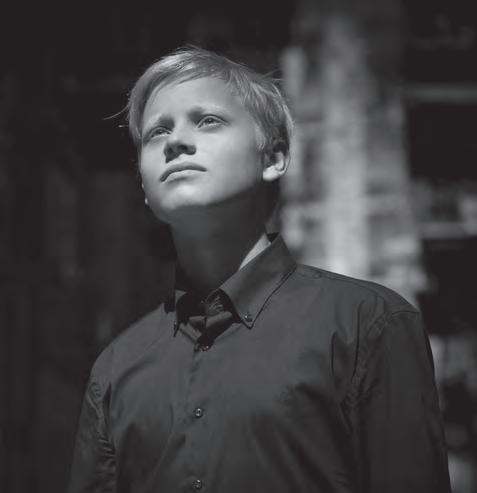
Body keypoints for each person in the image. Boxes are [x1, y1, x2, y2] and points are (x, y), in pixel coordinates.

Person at [68, 46, 451, 493]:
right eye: (157, 132)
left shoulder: (368, 325)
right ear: (144, 186)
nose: (175, 141)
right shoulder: (116, 369)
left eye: (208, 120)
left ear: (274, 158)